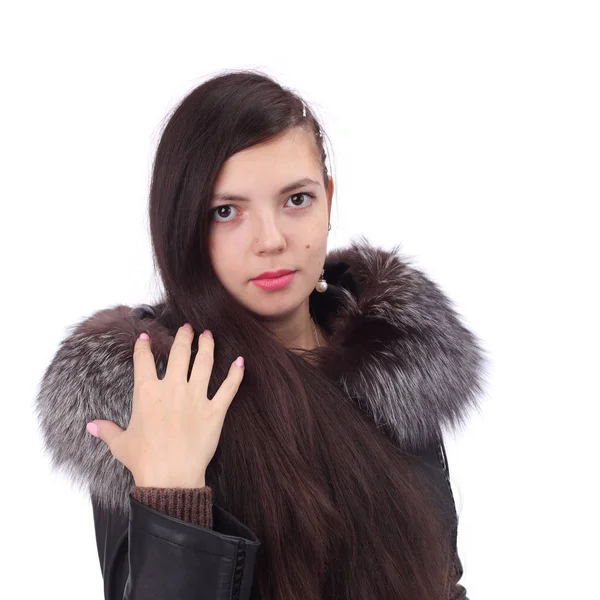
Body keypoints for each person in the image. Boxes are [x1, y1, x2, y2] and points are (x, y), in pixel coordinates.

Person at [34, 70, 488, 600]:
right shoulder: (154, 390)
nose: (270, 240)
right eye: (226, 212)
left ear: (328, 198)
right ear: (183, 226)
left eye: (296, 200)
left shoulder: (389, 359)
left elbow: (441, 578)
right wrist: (173, 499)